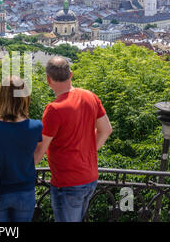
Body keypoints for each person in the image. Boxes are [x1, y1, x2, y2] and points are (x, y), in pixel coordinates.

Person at [34, 56, 113, 222]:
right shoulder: (90, 96)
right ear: (70, 74)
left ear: (49, 80)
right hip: (90, 178)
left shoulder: (54, 109)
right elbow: (106, 130)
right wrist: (88, 150)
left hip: (68, 182)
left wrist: (20, 170)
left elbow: (41, 149)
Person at [0, 76, 43, 222]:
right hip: (25, 191)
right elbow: (37, 156)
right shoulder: (36, 126)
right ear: (25, 98)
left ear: (1, 98)